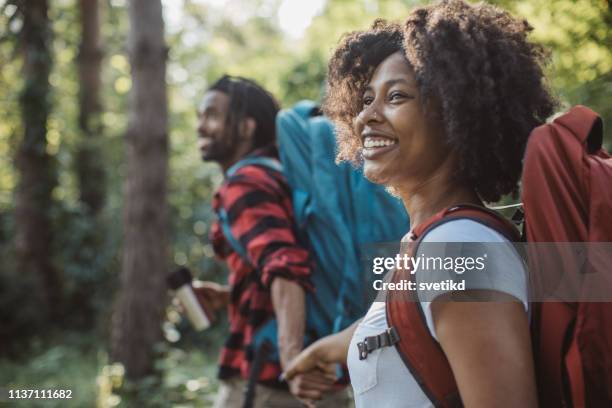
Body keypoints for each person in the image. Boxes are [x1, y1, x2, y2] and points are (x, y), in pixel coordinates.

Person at [283, 1, 557, 407]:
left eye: (396, 97)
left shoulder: (456, 248)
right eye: (364, 100)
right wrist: (332, 347)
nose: (366, 118)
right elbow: (415, 318)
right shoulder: (433, 242)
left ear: (455, 113)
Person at [193, 75, 345, 408]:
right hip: (321, 367)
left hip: (273, 381)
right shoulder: (280, 174)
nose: (200, 126)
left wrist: (292, 359)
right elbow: (293, 260)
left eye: (211, 115)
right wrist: (227, 297)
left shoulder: (245, 182)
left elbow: (285, 265)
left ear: (247, 127)